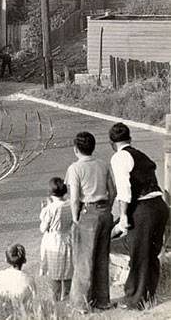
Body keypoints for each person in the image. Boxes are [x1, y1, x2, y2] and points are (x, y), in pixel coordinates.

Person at [109, 123, 169, 310]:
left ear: (112, 143)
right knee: (151, 254)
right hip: (160, 206)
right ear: (130, 139)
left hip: (143, 208)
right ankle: (148, 296)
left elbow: (124, 190)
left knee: (139, 254)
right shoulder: (140, 155)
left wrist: (124, 216)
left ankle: (134, 300)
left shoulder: (119, 157)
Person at [65, 132, 115, 313]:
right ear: (93, 147)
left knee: (83, 259)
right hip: (104, 212)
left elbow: (74, 198)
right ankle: (102, 300)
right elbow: (113, 190)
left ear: (75, 149)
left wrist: (75, 217)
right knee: (102, 257)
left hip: (87, 212)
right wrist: (107, 208)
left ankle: (81, 304)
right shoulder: (103, 164)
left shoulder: (75, 168)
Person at [39, 177, 73, 301]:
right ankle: (68, 296)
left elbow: (43, 228)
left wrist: (44, 209)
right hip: (68, 239)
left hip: (54, 241)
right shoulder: (70, 204)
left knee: (55, 275)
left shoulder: (49, 209)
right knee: (68, 271)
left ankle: (56, 300)